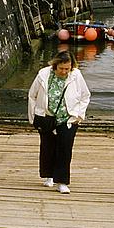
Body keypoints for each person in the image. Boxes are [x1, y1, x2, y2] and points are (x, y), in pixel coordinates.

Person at [27, 50, 91, 194]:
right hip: (47, 116)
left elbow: (85, 96)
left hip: (68, 118)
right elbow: (32, 95)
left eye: (67, 69)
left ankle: (62, 181)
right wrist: (33, 117)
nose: (64, 72)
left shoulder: (76, 75)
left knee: (65, 149)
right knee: (47, 147)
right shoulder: (43, 74)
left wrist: (79, 115)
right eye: (61, 68)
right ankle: (49, 176)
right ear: (55, 65)